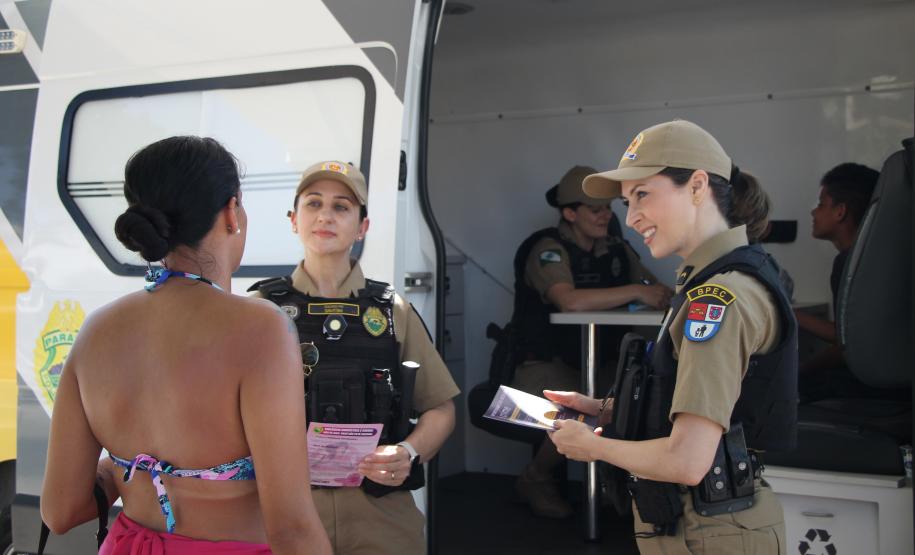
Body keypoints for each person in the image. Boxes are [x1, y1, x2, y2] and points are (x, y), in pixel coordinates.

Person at [41, 136, 332, 554]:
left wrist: (122, 469)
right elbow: (292, 528)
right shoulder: (261, 329)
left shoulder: (96, 331)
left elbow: (60, 510)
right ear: (232, 213)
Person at [548, 119, 798, 554]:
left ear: (698, 186)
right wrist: (605, 410)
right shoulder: (711, 283)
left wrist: (593, 448)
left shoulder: (718, 299)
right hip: (704, 525)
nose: (632, 217)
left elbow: (686, 460)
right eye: (627, 203)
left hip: (709, 531)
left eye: (642, 194)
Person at [250, 161, 459, 555]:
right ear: (294, 220)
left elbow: (440, 408)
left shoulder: (392, 310)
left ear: (363, 227)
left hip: (380, 519)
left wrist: (408, 452)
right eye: (313, 204)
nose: (325, 215)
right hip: (284, 521)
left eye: (342, 207)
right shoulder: (261, 310)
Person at [510, 165, 672, 519]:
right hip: (543, 367)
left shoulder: (615, 248)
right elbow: (568, 300)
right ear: (570, 213)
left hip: (600, 363)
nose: (606, 216)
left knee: (638, 402)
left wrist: (650, 294)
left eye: (608, 208)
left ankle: (616, 487)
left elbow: (655, 291)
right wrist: (635, 294)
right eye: (594, 209)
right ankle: (535, 479)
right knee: (579, 413)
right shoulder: (548, 250)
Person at [795, 163, 888, 402]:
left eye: (821, 204)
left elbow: (846, 340)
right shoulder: (878, 257)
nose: (813, 213)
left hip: (867, 389)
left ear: (840, 211)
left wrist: (803, 368)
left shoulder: (848, 264)